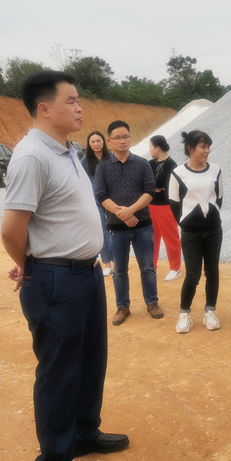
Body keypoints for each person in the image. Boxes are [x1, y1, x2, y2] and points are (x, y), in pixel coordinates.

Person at [1, 71, 128, 461]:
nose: (79, 107)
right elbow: (11, 229)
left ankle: (84, 433)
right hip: (56, 278)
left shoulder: (66, 151)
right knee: (59, 371)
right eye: (71, 100)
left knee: (91, 360)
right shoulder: (31, 157)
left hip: (87, 273)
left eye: (79, 100)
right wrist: (29, 266)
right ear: (44, 108)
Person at [95, 121, 162, 326]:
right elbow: (101, 195)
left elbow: (150, 191)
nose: (122, 141)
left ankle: (152, 302)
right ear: (109, 141)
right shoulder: (103, 167)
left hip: (143, 225)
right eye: (117, 137)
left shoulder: (142, 164)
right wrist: (123, 214)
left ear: (130, 138)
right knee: (119, 270)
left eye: (125, 136)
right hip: (117, 228)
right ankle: (122, 306)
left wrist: (130, 210)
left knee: (147, 267)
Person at [168, 130, 225, 333]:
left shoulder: (216, 170)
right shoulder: (177, 173)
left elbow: (219, 198)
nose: (207, 150)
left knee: (212, 273)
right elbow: (174, 203)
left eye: (208, 146)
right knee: (192, 275)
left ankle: (210, 311)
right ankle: (184, 314)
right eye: (203, 147)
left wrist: (211, 219)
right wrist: (187, 223)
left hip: (213, 231)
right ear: (190, 148)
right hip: (190, 233)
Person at [148, 135, 182, 282]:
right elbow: (146, 182)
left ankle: (175, 268)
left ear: (157, 148)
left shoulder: (171, 165)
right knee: (151, 238)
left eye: (150, 147)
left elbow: (168, 185)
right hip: (150, 206)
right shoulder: (150, 163)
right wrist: (156, 187)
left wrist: (155, 186)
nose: (149, 150)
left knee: (170, 237)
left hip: (166, 206)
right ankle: (151, 266)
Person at [81, 130, 113, 277]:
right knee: (101, 230)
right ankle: (107, 264)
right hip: (94, 199)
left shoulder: (111, 157)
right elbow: (82, 180)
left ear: (103, 142)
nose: (96, 144)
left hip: (112, 198)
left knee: (114, 229)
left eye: (98, 141)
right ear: (89, 144)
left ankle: (118, 262)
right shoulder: (85, 160)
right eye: (92, 141)